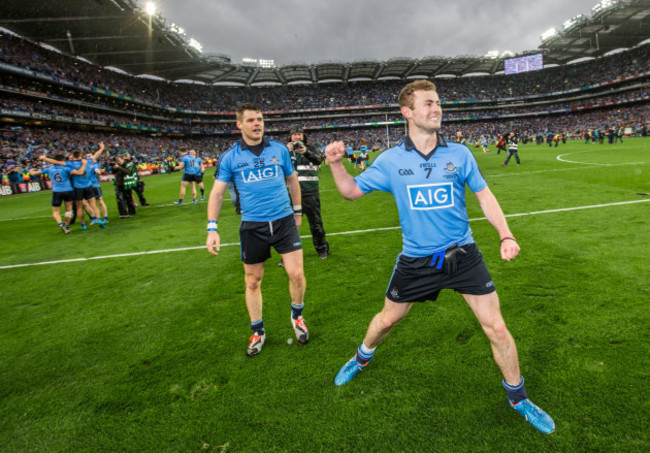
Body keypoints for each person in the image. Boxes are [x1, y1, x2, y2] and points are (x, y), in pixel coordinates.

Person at [325, 80, 554, 434]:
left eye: (438, 102)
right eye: (428, 103)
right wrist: (336, 164)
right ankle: (361, 357)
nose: (437, 108)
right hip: (416, 261)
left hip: (464, 255)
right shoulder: (390, 160)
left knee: (496, 328)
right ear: (407, 112)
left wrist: (505, 234)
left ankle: (518, 398)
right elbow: (351, 191)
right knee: (387, 322)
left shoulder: (459, 154)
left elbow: (484, 196)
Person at [205, 103, 309, 357]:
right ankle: (258, 331)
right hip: (253, 224)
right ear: (239, 124)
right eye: (251, 120)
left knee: (296, 273)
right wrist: (212, 228)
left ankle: (297, 317)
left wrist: (297, 210)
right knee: (253, 281)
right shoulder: (230, 156)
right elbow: (217, 194)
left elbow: (292, 179)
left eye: (260, 119)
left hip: (284, 220)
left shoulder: (278, 150)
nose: (257, 124)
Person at [285, 126, 329, 260]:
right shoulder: (284, 150)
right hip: (290, 193)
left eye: (299, 134)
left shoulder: (312, 147)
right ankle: (287, 254)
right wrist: (287, 152)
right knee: (288, 226)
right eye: (294, 134)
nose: (297, 137)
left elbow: (318, 160)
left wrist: (306, 152)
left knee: (316, 224)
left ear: (304, 136)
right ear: (290, 137)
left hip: (310, 191)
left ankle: (322, 249)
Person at [42, 143, 106, 230]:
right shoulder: (87, 161)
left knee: (79, 207)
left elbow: (56, 162)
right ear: (80, 155)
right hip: (88, 186)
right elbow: (96, 155)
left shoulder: (70, 164)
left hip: (78, 188)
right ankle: (99, 220)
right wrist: (102, 148)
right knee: (93, 204)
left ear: (74, 156)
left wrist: (44, 158)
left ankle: (83, 225)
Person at [30, 154, 87, 234]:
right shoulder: (67, 168)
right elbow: (80, 172)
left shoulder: (49, 168)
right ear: (62, 160)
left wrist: (31, 171)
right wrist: (84, 164)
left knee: (56, 212)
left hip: (57, 191)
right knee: (68, 210)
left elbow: (34, 174)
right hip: (68, 190)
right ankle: (66, 226)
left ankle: (61, 224)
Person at [112, 154, 136, 218]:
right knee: (119, 199)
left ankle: (131, 212)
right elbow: (113, 172)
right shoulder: (117, 165)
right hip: (118, 184)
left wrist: (119, 167)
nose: (118, 161)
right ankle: (123, 214)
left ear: (123, 159)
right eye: (117, 160)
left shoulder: (128, 164)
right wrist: (113, 167)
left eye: (119, 160)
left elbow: (128, 172)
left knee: (128, 198)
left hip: (126, 184)